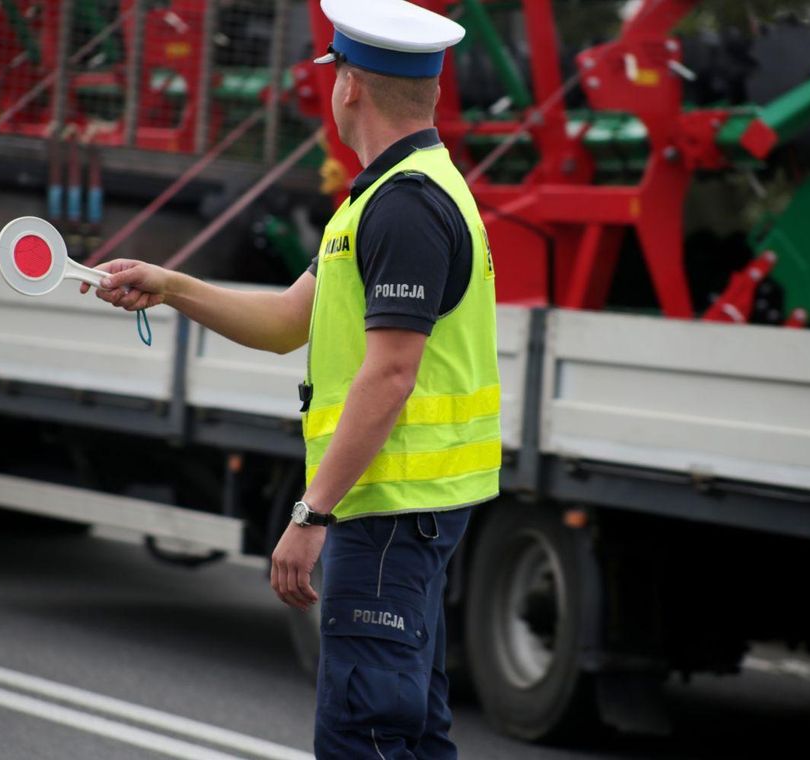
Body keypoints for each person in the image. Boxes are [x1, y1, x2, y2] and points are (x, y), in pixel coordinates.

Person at [83, 0, 501, 755]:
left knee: (364, 735)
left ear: (349, 86)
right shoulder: (381, 198)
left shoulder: (406, 206)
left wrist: (311, 515)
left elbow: (391, 375)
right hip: (400, 511)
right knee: (410, 735)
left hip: (386, 515)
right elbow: (284, 323)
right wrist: (169, 284)